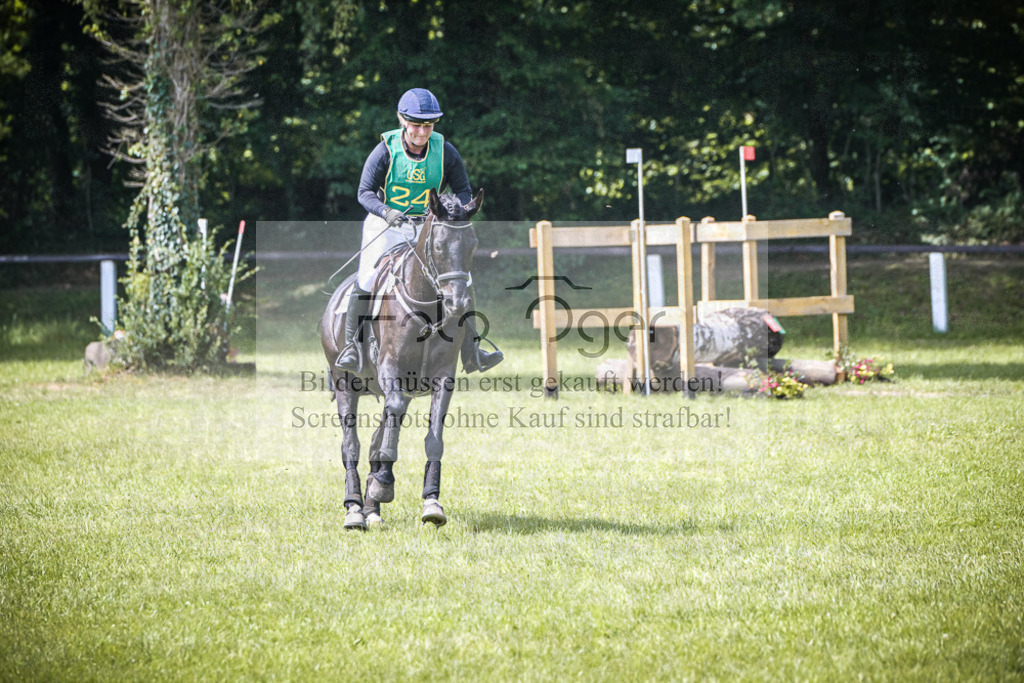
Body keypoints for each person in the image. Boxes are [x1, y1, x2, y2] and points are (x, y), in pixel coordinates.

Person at [336, 87, 503, 374]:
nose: (422, 132)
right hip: (387, 223)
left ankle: (473, 348)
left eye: (428, 125)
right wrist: (387, 211)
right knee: (367, 277)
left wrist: (457, 211)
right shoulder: (384, 151)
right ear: (402, 120)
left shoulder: (445, 152)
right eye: (416, 124)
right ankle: (352, 346)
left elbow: (463, 189)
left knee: (465, 279)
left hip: (429, 225)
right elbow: (364, 192)